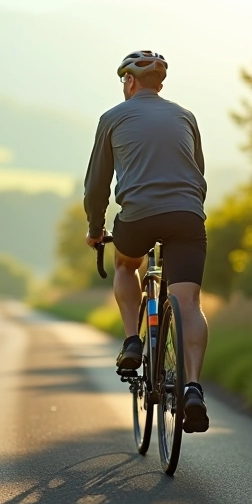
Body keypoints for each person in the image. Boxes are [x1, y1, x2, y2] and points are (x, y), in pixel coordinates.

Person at [82, 50, 210, 433]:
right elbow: (198, 172)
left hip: (136, 217)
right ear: (161, 84)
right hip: (187, 216)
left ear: (130, 82)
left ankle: (134, 342)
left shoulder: (111, 118)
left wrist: (94, 229)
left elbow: (96, 186)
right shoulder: (185, 116)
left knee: (125, 264)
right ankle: (192, 388)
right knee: (189, 302)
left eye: (124, 80)